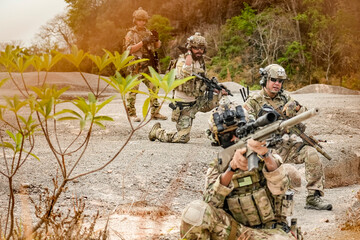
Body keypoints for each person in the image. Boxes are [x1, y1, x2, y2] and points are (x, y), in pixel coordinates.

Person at [243, 63, 332, 211]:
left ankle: (313, 197)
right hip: (265, 149)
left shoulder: (285, 98)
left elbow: (303, 112)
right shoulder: (254, 100)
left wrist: (296, 107)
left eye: (280, 81)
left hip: (285, 145)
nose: (277, 84)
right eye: (273, 80)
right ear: (265, 79)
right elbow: (246, 123)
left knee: (311, 153)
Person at [180, 139, 303, 239]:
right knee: (195, 211)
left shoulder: (270, 159)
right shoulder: (220, 165)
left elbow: (280, 188)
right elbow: (211, 203)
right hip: (237, 231)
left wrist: (266, 155)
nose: (234, 139)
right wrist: (231, 168)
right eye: (229, 137)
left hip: (272, 233)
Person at [148, 32, 227, 143]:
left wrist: (216, 89)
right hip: (184, 105)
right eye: (196, 48)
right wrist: (188, 54)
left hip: (197, 101)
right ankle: (157, 132)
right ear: (190, 48)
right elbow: (185, 73)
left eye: (202, 48)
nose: (200, 51)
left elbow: (202, 80)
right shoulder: (183, 61)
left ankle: (224, 131)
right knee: (183, 138)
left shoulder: (200, 61)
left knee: (219, 98)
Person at [124, 7, 167, 122]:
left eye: (144, 20)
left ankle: (155, 112)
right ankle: (131, 113)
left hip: (148, 64)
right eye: (139, 20)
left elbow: (157, 47)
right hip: (136, 64)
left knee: (154, 87)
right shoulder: (131, 33)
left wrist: (156, 39)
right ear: (135, 20)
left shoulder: (148, 32)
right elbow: (129, 50)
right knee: (133, 90)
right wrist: (143, 42)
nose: (142, 22)